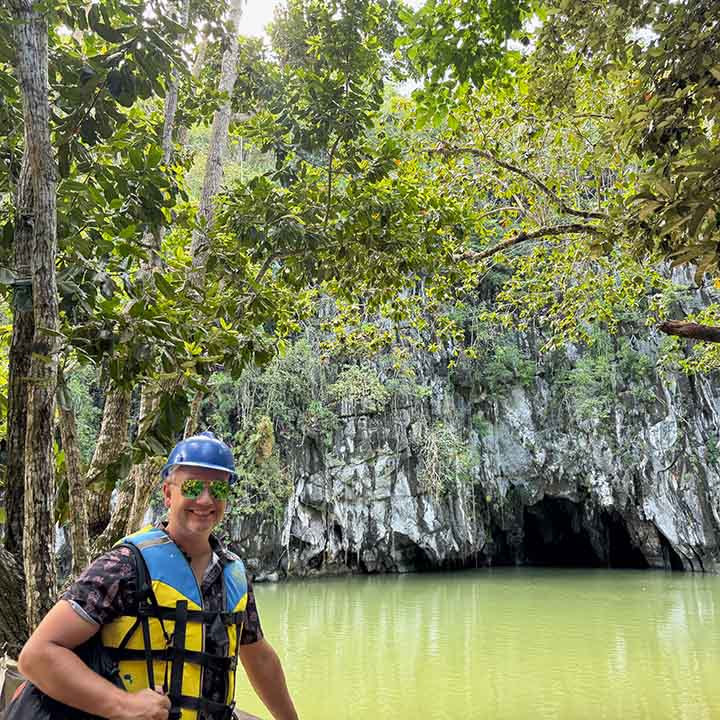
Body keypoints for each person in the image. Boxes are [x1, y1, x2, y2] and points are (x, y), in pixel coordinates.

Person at [17, 431, 299, 720]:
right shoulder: (125, 566)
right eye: (191, 487)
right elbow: (37, 655)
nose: (205, 500)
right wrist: (122, 704)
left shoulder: (232, 573)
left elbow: (259, 656)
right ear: (168, 493)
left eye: (219, 490)